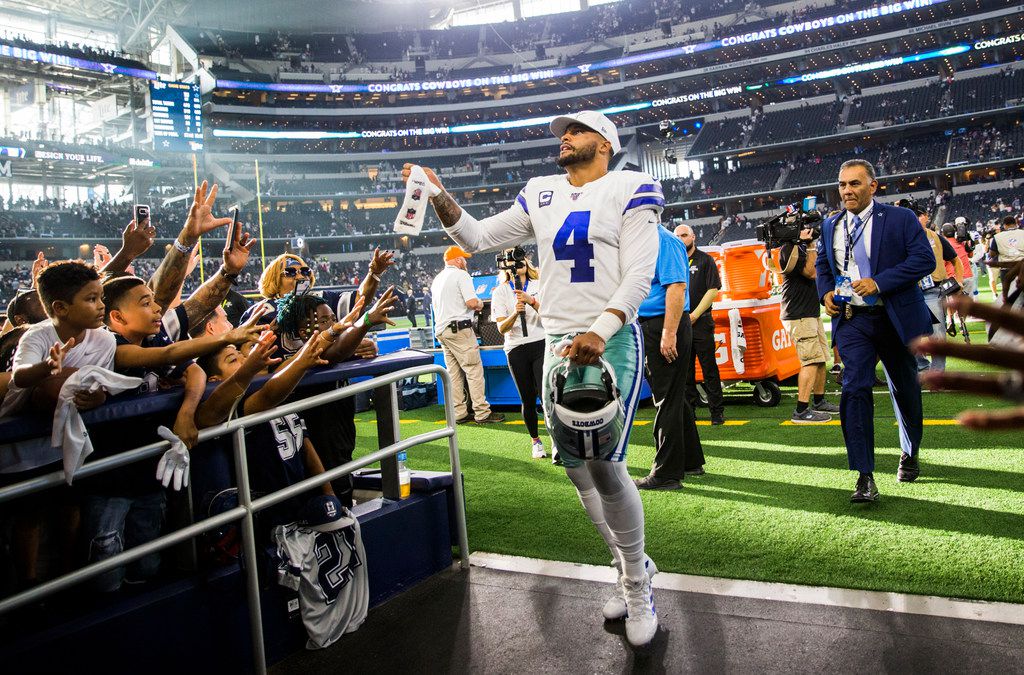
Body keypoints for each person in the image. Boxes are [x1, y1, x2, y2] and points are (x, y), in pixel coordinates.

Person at [405, 110, 660, 647]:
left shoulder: (631, 187)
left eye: (577, 131)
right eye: (562, 132)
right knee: (576, 470)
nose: (564, 137)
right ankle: (626, 566)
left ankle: (639, 585)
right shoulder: (540, 191)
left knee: (608, 466)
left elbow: (640, 272)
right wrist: (437, 193)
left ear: (605, 144)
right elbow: (473, 237)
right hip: (555, 341)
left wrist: (602, 327)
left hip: (608, 338)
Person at [816, 159, 934, 503]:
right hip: (853, 320)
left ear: (873, 186)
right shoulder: (831, 225)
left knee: (905, 390)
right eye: (842, 185)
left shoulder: (900, 218)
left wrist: (879, 282)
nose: (847, 191)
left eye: (854, 184)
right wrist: (825, 292)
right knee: (854, 390)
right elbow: (825, 264)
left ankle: (910, 452)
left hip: (894, 317)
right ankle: (864, 475)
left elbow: (923, 260)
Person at [634, 225, 704, 490]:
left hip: (663, 325)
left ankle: (666, 473)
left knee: (665, 399)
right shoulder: (651, 239)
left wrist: (668, 333)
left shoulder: (664, 240)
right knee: (674, 396)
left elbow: (676, 286)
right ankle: (690, 461)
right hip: (659, 324)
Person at [430, 246, 504, 425]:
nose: (465, 261)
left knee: (454, 374)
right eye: (463, 259)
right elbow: (471, 302)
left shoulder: (437, 279)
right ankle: (482, 412)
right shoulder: (461, 275)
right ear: (456, 260)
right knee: (473, 370)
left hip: (442, 331)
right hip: (459, 330)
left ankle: (459, 413)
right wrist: (480, 304)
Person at [490, 250, 548, 460]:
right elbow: (501, 329)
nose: (518, 262)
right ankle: (535, 441)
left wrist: (531, 301)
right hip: (516, 348)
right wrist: (516, 312)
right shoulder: (500, 292)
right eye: (512, 260)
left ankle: (558, 441)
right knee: (527, 398)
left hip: (541, 342)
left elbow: (551, 316)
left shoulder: (539, 283)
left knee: (546, 395)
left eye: (520, 258)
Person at [778, 228, 840, 423]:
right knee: (810, 361)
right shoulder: (789, 249)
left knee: (820, 359)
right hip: (799, 315)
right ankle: (801, 410)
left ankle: (819, 401)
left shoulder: (798, 247)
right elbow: (812, 272)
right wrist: (810, 245)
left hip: (809, 313)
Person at [675, 224, 725, 425]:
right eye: (677, 236)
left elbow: (713, 290)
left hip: (701, 323)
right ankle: (690, 413)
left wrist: (694, 315)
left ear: (693, 236)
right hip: (680, 325)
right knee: (685, 372)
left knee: (709, 369)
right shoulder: (673, 260)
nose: (681, 239)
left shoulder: (705, 260)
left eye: (684, 235)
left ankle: (717, 412)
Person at [907, 202, 961, 372]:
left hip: (933, 290)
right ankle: (922, 366)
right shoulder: (901, 237)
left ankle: (937, 372)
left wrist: (958, 281)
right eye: (912, 215)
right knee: (910, 333)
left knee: (937, 333)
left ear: (926, 217)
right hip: (909, 290)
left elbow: (955, 260)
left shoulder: (936, 237)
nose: (915, 219)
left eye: (919, 215)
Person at [941, 221, 973, 337]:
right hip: (968, 276)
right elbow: (971, 255)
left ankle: (950, 320)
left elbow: (942, 264)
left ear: (943, 234)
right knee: (964, 303)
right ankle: (962, 323)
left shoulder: (943, 244)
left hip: (952, 278)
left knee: (951, 302)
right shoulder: (962, 243)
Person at [989, 215, 1023, 288]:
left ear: (1004, 225)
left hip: (1007, 270)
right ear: (1016, 223)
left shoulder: (998, 236)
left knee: (1009, 296)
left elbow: (992, 254)